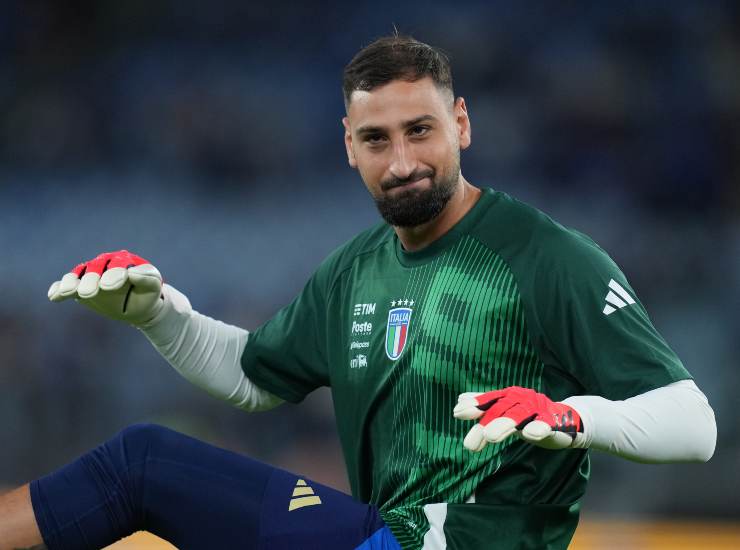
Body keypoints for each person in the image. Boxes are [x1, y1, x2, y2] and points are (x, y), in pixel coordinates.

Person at [0, 35, 716, 550]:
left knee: (143, 465)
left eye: (421, 131)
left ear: (461, 124)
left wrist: (571, 417)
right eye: (377, 139)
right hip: (383, 536)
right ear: (348, 144)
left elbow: (693, 423)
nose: (402, 161)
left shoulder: (546, 256)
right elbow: (254, 377)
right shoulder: (354, 269)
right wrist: (157, 315)